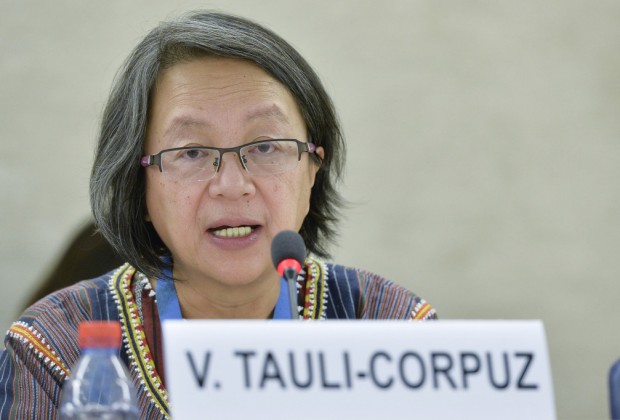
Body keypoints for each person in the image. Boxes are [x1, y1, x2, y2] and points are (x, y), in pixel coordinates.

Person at [0, 10, 437, 419]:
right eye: (191, 151)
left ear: (312, 173)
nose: (232, 184)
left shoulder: (390, 328)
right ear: (140, 189)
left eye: (265, 146)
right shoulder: (56, 345)